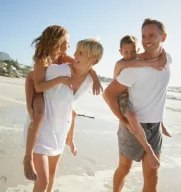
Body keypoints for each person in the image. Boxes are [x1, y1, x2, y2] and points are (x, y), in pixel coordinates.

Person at [24, 34, 104, 192]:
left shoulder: (89, 80)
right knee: (43, 182)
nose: (74, 55)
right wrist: (29, 108)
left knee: (52, 175)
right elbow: (31, 78)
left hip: (60, 131)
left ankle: (68, 141)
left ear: (92, 60)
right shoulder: (60, 70)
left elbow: (71, 109)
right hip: (41, 129)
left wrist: (70, 138)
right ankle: (27, 158)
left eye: (80, 53)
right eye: (76, 51)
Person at [103, 18, 172, 192]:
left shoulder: (167, 59)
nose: (147, 39)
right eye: (143, 36)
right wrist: (123, 120)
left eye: (152, 35)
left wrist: (161, 121)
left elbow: (159, 93)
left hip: (154, 127)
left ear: (163, 37)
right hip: (132, 126)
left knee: (152, 178)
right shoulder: (132, 69)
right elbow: (108, 94)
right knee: (124, 169)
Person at [113, 35, 171, 169]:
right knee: (132, 117)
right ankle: (148, 149)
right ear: (120, 52)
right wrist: (153, 63)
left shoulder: (138, 60)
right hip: (121, 95)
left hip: (133, 95)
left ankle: (161, 124)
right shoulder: (121, 63)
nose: (130, 55)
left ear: (138, 50)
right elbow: (130, 64)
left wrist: (163, 54)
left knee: (152, 101)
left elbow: (159, 49)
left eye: (133, 51)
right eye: (126, 52)